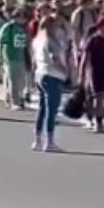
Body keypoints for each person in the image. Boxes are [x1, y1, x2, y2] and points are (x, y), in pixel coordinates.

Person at [32, 15, 70, 152]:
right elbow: (55, 58)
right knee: (51, 110)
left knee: (42, 108)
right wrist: (65, 71)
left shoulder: (37, 40)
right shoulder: (51, 41)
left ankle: (37, 140)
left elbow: (34, 59)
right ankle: (49, 141)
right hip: (52, 74)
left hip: (40, 73)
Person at [0, 9, 29, 110]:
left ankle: (17, 99)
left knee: (20, 81)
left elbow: (25, 43)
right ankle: (14, 102)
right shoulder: (8, 27)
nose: (23, 19)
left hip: (20, 57)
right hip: (10, 56)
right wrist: (1, 57)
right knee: (12, 80)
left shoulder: (23, 29)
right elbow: (1, 43)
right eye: (21, 17)